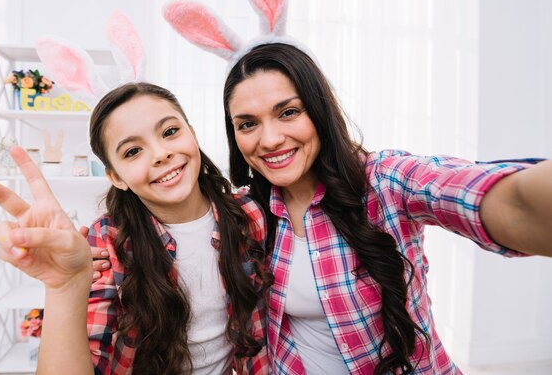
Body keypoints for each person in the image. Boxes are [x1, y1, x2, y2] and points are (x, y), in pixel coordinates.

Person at [220, 41, 552, 374]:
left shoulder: (385, 181)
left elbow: (499, 198)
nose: (270, 139)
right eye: (248, 124)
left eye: (288, 112)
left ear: (319, 111)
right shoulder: (244, 216)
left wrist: (520, 201)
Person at [0, 82, 271, 375]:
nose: (160, 153)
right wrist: (64, 288)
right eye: (132, 152)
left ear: (192, 134)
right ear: (116, 177)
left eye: (170, 132)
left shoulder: (248, 216)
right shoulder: (107, 242)